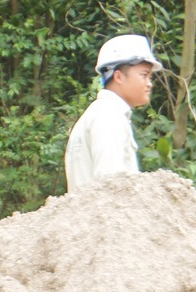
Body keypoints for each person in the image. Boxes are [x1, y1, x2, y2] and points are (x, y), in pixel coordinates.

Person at [63, 33, 163, 193]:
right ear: (118, 77)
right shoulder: (109, 118)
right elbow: (112, 189)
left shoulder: (99, 113)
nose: (149, 84)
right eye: (144, 75)